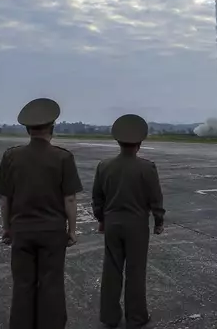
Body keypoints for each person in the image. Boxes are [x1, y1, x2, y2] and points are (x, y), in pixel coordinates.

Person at [0, 98, 83, 329]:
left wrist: (7, 227)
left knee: (23, 285)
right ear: (52, 128)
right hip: (52, 232)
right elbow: (70, 198)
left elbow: (5, 199)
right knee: (52, 285)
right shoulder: (63, 157)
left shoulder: (11, 156)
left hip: (22, 230)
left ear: (27, 130)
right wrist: (71, 230)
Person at [91, 114, 166, 328]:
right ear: (140, 143)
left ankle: (109, 316)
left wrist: (102, 219)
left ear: (118, 141)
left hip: (112, 222)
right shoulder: (147, 167)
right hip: (137, 224)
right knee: (135, 271)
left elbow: (97, 198)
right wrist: (158, 221)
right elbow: (155, 198)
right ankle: (136, 317)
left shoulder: (104, 166)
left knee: (111, 270)